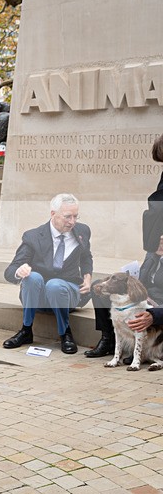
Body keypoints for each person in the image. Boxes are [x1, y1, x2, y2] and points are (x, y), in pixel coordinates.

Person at [88, 133, 163, 358]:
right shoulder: (154, 247)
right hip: (149, 297)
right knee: (101, 287)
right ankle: (109, 339)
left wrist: (155, 315)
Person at [3, 193, 93, 354]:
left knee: (55, 285)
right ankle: (26, 330)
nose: (72, 222)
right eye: (67, 217)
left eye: (75, 216)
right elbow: (10, 270)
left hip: (68, 292)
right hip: (39, 296)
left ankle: (65, 333)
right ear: (53, 214)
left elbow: (86, 256)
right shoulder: (33, 236)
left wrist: (87, 277)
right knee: (32, 277)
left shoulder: (82, 231)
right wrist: (19, 271)